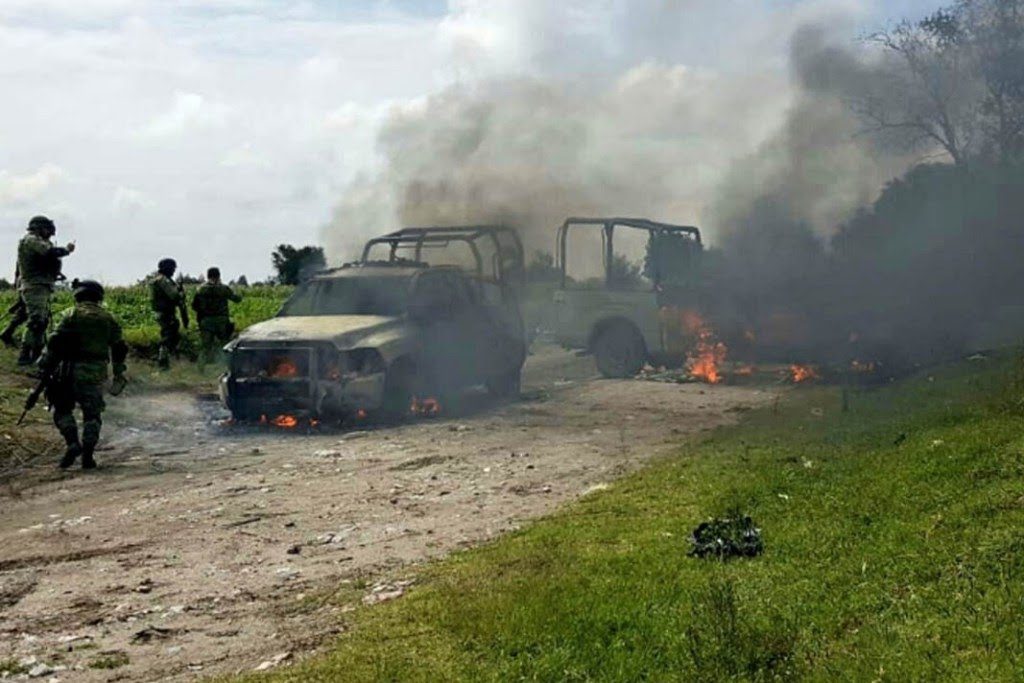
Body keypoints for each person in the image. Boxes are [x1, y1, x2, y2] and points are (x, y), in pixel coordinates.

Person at [38, 279, 127, 470]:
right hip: (95, 373)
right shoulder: (108, 318)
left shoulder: (70, 314)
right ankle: (88, 455)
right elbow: (119, 348)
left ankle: (72, 443)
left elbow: (54, 342)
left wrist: (44, 365)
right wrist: (119, 374)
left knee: (62, 410)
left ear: (78, 295)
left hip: (68, 372)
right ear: (99, 297)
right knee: (92, 415)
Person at [13, 216, 75, 365]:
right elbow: (49, 252)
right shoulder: (31, 240)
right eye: (46, 229)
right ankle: (25, 355)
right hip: (34, 285)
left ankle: (36, 353)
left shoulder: (39, 241)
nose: (49, 232)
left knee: (42, 321)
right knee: (36, 321)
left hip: (43, 285)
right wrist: (67, 250)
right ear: (38, 228)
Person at [191, 267, 242, 368]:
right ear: (219, 275)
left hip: (206, 321)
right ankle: (226, 367)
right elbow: (237, 299)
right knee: (225, 345)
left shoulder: (201, 289)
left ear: (208, 275)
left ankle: (201, 368)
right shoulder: (223, 288)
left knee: (205, 347)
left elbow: (194, 306)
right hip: (221, 321)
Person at [148, 258, 188, 369]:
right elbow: (174, 295)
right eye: (172, 268)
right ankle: (162, 363)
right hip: (166, 313)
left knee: (172, 336)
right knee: (168, 337)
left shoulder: (157, 279)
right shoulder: (163, 280)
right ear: (167, 268)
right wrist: (180, 292)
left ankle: (167, 359)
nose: (173, 271)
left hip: (161, 312)